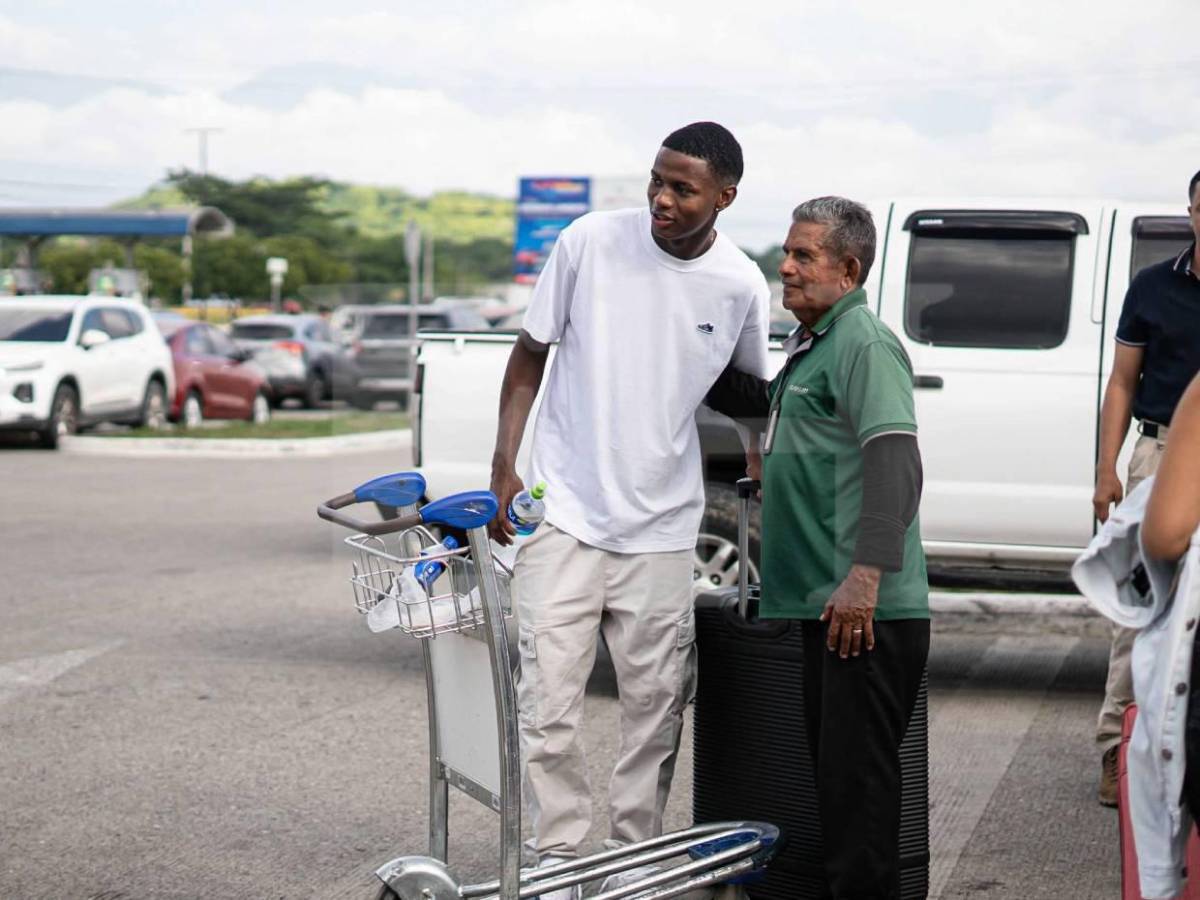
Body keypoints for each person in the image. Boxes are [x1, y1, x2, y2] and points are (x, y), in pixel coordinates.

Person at [487, 122, 770, 899]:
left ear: (725, 198)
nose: (662, 198)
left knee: (655, 704)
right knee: (547, 697)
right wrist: (504, 464)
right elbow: (529, 354)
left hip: (662, 525)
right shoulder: (588, 242)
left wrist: (764, 467)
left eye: (683, 188)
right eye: (657, 180)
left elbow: (751, 402)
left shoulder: (741, 283)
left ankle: (633, 854)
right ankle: (559, 851)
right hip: (566, 511)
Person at [706, 196, 929, 899]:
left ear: (850, 268)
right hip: (825, 608)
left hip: (863, 612)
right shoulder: (814, 347)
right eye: (787, 252)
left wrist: (864, 578)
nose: (787, 266)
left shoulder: (863, 342)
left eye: (805, 256)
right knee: (839, 793)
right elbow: (758, 403)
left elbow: (897, 465)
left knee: (858, 802)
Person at [1091, 167, 1200, 807]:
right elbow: (1122, 383)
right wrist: (1106, 469)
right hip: (1158, 457)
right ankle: (1115, 748)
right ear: (1190, 211)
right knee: (1140, 608)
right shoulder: (1154, 286)